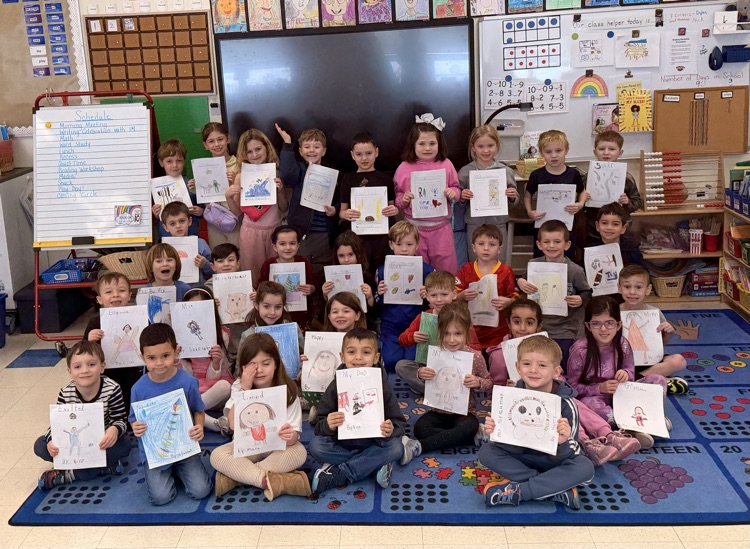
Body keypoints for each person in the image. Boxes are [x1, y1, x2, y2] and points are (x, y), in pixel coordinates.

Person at [486, 298, 641, 466]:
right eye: (517, 322)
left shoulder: (547, 348)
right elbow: (495, 392)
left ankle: (608, 435)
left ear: (538, 326)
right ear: (508, 323)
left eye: (529, 322)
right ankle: (586, 443)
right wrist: (509, 390)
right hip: (523, 410)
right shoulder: (499, 355)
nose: (523, 328)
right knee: (563, 406)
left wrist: (556, 381)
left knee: (569, 401)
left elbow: (559, 377)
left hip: (550, 394)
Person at [479, 335, 595, 509]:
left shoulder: (566, 404)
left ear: (556, 372)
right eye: (526, 364)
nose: (533, 370)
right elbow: (507, 445)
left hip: (554, 461)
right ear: (518, 367)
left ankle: (521, 492)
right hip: (522, 459)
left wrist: (562, 443)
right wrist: (495, 433)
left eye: (542, 365)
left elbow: (573, 451)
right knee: (486, 451)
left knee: (585, 467)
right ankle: (554, 488)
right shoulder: (510, 397)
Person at [210, 333, 312, 500]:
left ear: (276, 364)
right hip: (246, 447)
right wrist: (245, 389)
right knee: (217, 455)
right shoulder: (239, 386)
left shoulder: (288, 389)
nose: (260, 370)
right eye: (252, 365)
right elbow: (234, 425)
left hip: (277, 446)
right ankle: (269, 480)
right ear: (243, 367)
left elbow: (294, 436)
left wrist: (291, 436)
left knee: (299, 452)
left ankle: (237, 477)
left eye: (266, 363)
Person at [308, 328, 405, 495]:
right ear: (342, 357)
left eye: (366, 352)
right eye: (352, 352)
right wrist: (329, 424)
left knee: (396, 447)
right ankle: (372, 466)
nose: (358, 357)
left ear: (376, 358)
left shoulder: (382, 385)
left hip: (375, 443)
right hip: (342, 445)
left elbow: (399, 423)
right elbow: (319, 424)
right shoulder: (336, 385)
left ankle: (341, 473)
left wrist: (391, 428)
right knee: (316, 446)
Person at [566, 296, 668, 449]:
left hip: (623, 396)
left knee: (658, 380)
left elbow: (631, 373)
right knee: (589, 404)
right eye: (596, 323)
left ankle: (646, 419)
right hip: (597, 399)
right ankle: (633, 427)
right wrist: (599, 388)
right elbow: (572, 387)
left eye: (609, 323)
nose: (603, 329)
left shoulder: (623, 344)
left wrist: (626, 374)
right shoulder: (580, 350)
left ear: (619, 325)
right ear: (588, 326)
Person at [129, 323, 213, 505]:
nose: (159, 363)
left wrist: (199, 426)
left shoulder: (188, 382)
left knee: (202, 490)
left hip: (183, 446)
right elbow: (134, 420)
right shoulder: (138, 389)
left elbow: (198, 410)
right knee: (161, 498)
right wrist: (135, 427)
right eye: (152, 358)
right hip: (156, 452)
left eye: (165, 356)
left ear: (176, 352)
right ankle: (172, 471)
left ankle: (178, 469)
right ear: (142, 357)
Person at [399, 303, 493, 465]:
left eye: (457, 333)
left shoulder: (475, 356)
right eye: (446, 333)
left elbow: (489, 382)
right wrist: (420, 374)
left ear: (467, 333)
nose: (451, 339)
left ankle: (419, 446)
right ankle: (465, 436)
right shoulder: (435, 353)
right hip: (438, 410)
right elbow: (428, 377)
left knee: (468, 427)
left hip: (465, 413)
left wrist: (478, 382)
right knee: (420, 429)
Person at [35, 341, 131, 490]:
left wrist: (114, 430)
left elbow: (120, 420)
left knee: (125, 444)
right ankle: (103, 468)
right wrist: (52, 441)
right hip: (74, 445)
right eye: (77, 366)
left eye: (91, 364)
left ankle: (68, 475)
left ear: (102, 367)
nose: (85, 370)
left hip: (100, 444)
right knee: (40, 446)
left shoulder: (112, 389)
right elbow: (56, 425)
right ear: (70, 372)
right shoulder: (65, 392)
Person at [517, 220, 592, 368]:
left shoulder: (575, 270)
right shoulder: (533, 266)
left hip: (566, 331)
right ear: (539, 245)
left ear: (567, 245)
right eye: (546, 242)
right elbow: (521, 285)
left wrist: (581, 299)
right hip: (539, 330)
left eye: (557, 241)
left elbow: (588, 293)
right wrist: (519, 281)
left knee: (561, 369)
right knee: (541, 367)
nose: (551, 246)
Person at [393, 114, 460, 273]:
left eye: (432, 143)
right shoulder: (404, 168)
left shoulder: (447, 164)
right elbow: (397, 198)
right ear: (413, 145)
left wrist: (453, 193)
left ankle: (446, 297)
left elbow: (457, 190)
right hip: (414, 231)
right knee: (416, 271)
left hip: (442, 229)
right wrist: (404, 199)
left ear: (439, 144)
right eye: (422, 144)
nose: (427, 148)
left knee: (446, 269)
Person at [395, 270, 481, 394]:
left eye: (444, 294)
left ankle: (435, 390)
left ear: (454, 294)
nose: (439, 299)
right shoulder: (423, 317)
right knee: (401, 366)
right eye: (434, 295)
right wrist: (413, 337)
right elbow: (402, 339)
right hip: (428, 367)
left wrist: (462, 346)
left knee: (470, 372)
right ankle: (432, 389)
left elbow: (477, 348)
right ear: (427, 296)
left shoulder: (462, 318)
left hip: (454, 368)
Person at [276, 124, 339, 284]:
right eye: (307, 146)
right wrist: (288, 144)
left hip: (324, 232)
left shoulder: (333, 174)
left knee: (321, 272)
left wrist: (334, 211)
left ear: (323, 151)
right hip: (302, 232)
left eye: (316, 146)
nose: (311, 150)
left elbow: (340, 202)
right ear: (301, 151)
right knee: (302, 271)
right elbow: (286, 173)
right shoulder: (299, 170)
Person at [225, 128, 288, 283]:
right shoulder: (240, 176)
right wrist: (229, 196)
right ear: (244, 154)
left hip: (274, 230)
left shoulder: (276, 174)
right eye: (249, 152)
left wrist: (280, 191)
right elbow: (237, 213)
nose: (254, 155)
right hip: (250, 232)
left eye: (258, 149)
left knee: (276, 274)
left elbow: (284, 208)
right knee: (252, 276)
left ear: (266, 147)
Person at [618, 265, 689, 395]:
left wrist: (668, 332)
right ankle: (652, 381)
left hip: (648, 362)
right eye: (627, 287)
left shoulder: (654, 313)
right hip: (620, 364)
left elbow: (659, 345)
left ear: (648, 289)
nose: (632, 292)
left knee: (679, 360)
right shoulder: (614, 312)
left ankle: (637, 380)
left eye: (638, 287)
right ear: (619, 288)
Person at [374, 220, 434, 371]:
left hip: (416, 326)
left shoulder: (427, 271)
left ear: (417, 245)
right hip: (391, 326)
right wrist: (379, 295)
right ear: (391, 245)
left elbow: (436, 305)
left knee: (413, 362)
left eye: (409, 244)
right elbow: (375, 305)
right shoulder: (382, 271)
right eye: (399, 244)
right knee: (391, 362)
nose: (404, 249)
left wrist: (428, 297)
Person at [457, 125, 520, 263]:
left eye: (490, 145)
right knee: (476, 262)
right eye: (480, 146)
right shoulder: (465, 172)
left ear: (496, 146)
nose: (486, 150)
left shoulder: (505, 171)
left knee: (499, 262)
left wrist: (512, 196)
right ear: (473, 147)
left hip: (498, 224)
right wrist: (462, 197)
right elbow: (457, 200)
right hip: (475, 225)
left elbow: (514, 201)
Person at [339, 132, 399, 271]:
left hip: (382, 237)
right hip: (357, 238)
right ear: (352, 155)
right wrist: (345, 214)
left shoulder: (385, 179)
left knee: (381, 272)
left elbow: (392, 207)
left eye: (368, 153)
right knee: (360, 272)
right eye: (359, 154)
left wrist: (394, 210)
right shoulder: (347, 179)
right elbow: (342, 211)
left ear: (376, 152)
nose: (364, 158)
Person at [83, 272, 142, 413]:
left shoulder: (139, 317)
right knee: (111, 399)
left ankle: (131, 420)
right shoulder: (95, 322)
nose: (115, 295)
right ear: (99, 299)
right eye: (108, 292)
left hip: (135, 370)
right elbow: (82, 352)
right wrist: (89, 340)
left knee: (133, 396)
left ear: (129, 295)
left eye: (121, 290)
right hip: (106, 372)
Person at [524, 130, 588, 259]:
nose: (554, 155)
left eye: (558, 151)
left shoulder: (573, 173)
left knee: (567, 258)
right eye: (548, 152)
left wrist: (580, 204)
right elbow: (527, 195)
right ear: (542, 153)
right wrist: (530, 212)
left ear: (566, 150)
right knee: (541, 259)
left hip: (567, 225)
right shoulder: (536, 175)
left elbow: (582, 191)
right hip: (543, 226)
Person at [179, 287, 233, 432]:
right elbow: (184, 377)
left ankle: (187, 411)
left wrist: (216, 362)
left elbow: (214, 376)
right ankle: (215, 424)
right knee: (178, 390)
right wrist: (177, 359)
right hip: (191, 386)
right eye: (192, 308)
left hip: (212, 389)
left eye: (202, 308)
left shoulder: (222, 334)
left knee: (225, 386)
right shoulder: (179, 335)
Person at [455, 224, 517, 349]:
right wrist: (462, 295)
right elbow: (453, 296)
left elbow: (516, 297)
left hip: (498, 332)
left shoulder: (506, 271)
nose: (486, 248)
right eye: (481, 244)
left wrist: (508, 302)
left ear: (499, 249)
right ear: (473, 247)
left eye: (492, 244)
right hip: (470, 331)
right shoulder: (465, 269)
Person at [582, 130, 643, 244]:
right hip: (592, 229)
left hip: (618, 230)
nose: (606, 153)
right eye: (601, 149)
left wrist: (627, 201)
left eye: (612, 149)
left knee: (617, 255)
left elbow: (638, 202)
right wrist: (583, 200)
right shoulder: (588, 177)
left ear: (620, 152)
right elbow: (578, 204)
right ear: (595, 152)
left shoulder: (626, 178)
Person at [258, 225, 317, 331]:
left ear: (298, 246)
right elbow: (261, 286)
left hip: (301, 315)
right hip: (274, 315)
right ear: (275, 246)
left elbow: (314, 284)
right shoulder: (268, 264)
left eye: (292, 243)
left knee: (299, 343)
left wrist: (311, 288)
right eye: (282, 244)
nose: (288, 248)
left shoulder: (304, 262)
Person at [205, 243, 248, 368]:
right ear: (213, 266)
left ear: (238, 263)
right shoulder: (208, 288)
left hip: (241, 338)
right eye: (220, 261)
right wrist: (209, 305)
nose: (226, 264)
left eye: (231, 260)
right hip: (220, 344)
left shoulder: (247, 284)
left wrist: (256, 299)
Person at [199, 122, 240, 248]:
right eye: (211, 141)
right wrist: (196, 188)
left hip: (236, 219)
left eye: (220, 139)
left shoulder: (239, 164)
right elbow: (205, 199)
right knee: (218, 256)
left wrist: (235, 182)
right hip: (214, 221)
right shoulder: (202, 168)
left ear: (228, 139)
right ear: (205, 145)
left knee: (238, 255)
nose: (216, 144)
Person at [322, 231, 377, 325]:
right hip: (337, 324)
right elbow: (326, 309)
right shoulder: (328, 277)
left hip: (361, 323)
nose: (346, 260)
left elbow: (374, 312)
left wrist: (370, 297)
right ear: (336, 256)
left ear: (358, 254)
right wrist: (325, 294)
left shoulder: (367, 278)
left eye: (350, 255)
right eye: (341, 256)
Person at [152, 139, 203, 239]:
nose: (174, 165)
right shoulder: (155, 188)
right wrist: (155, 213)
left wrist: (201, 211)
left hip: (191, 234)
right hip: (166, 236)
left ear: (184, 161)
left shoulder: (191, 185)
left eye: (179, 161)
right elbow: (157, 218)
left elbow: (204, 209)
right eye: (169, 161)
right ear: (161, 162)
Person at [160, 201, 213, 284]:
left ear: (189, 221)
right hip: (173, 291)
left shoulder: (200, 244)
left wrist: (204, 264)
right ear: (165, 227)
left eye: (181, 221)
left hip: (197, 290)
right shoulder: (163, 249)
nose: (178, 226)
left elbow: (214, 271)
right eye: (172, 223)